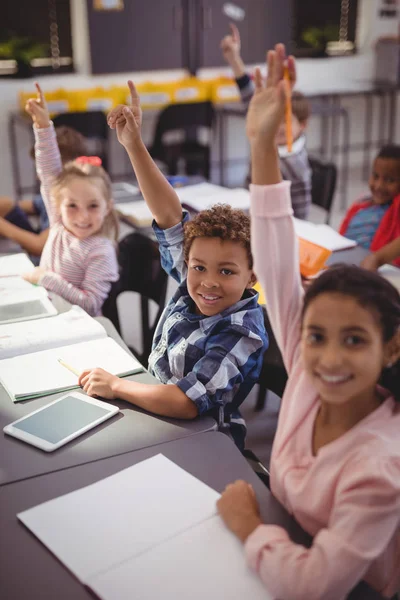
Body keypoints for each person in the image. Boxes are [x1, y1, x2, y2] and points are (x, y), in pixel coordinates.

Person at [217, 44, 400, 599]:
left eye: (355, 340)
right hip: (285, 538)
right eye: (316, 335)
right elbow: (274, 256)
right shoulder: (304, 366)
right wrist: (261, 144)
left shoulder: (378, 469)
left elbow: (315, 585)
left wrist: (250, 523)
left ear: (391, 350)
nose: (329, 356)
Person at [78, 80, 267, 450]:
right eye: (198, 267)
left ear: (252, 276)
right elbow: (167, 214)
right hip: (156, 415)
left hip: (206, 441)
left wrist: (117, 386)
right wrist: (133, 144)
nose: (208, 282)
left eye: (227, 271)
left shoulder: (243, 330)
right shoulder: (193, 283)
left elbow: (185, 403)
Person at [23, 83, 119, 316]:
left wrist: (45, 278)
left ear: (107, 207)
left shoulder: (101, 251)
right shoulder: (60, 222)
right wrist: (43, 126)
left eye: (93, 206)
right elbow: (48, 173)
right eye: (72, 206)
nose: (82, 216)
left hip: (83, 331)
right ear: (59, 206)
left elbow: (90, 305)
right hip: (54, 316)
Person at [220, 23, 312, 219]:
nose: (276, 125)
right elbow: (249, 98)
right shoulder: (269, 139)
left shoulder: (295, 165)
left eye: (284, 120)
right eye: (274, 118)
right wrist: (233, 59)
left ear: (302, 124)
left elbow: (301, 219)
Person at [0, 126, 88, 260]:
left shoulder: (68, 201)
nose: (38, 176)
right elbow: (28, 205)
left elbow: (40, 246)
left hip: (51, 259)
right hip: (43, 248)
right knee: (6, 205)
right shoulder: (52, 192)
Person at [339, 145, 400, 266]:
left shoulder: (396, 209)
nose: (379, 186)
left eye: (390, 180)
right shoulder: (361, 204)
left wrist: (376, 259)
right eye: (375, 176)